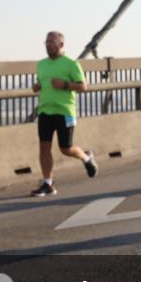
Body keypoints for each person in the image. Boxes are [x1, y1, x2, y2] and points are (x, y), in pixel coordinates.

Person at [30, 31, 98, 197]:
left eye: (51, 42)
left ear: (61, 45)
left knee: (65, 148)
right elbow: (40, 83)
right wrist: (37, 87)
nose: (48, 45)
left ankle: (86, 157)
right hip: (45, 111)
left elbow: (83, 86)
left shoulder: (71, 64)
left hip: (64, 111)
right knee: (44, 148)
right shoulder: (41, 64)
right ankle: (48, 183)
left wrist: (65, 84)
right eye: (46, 42)